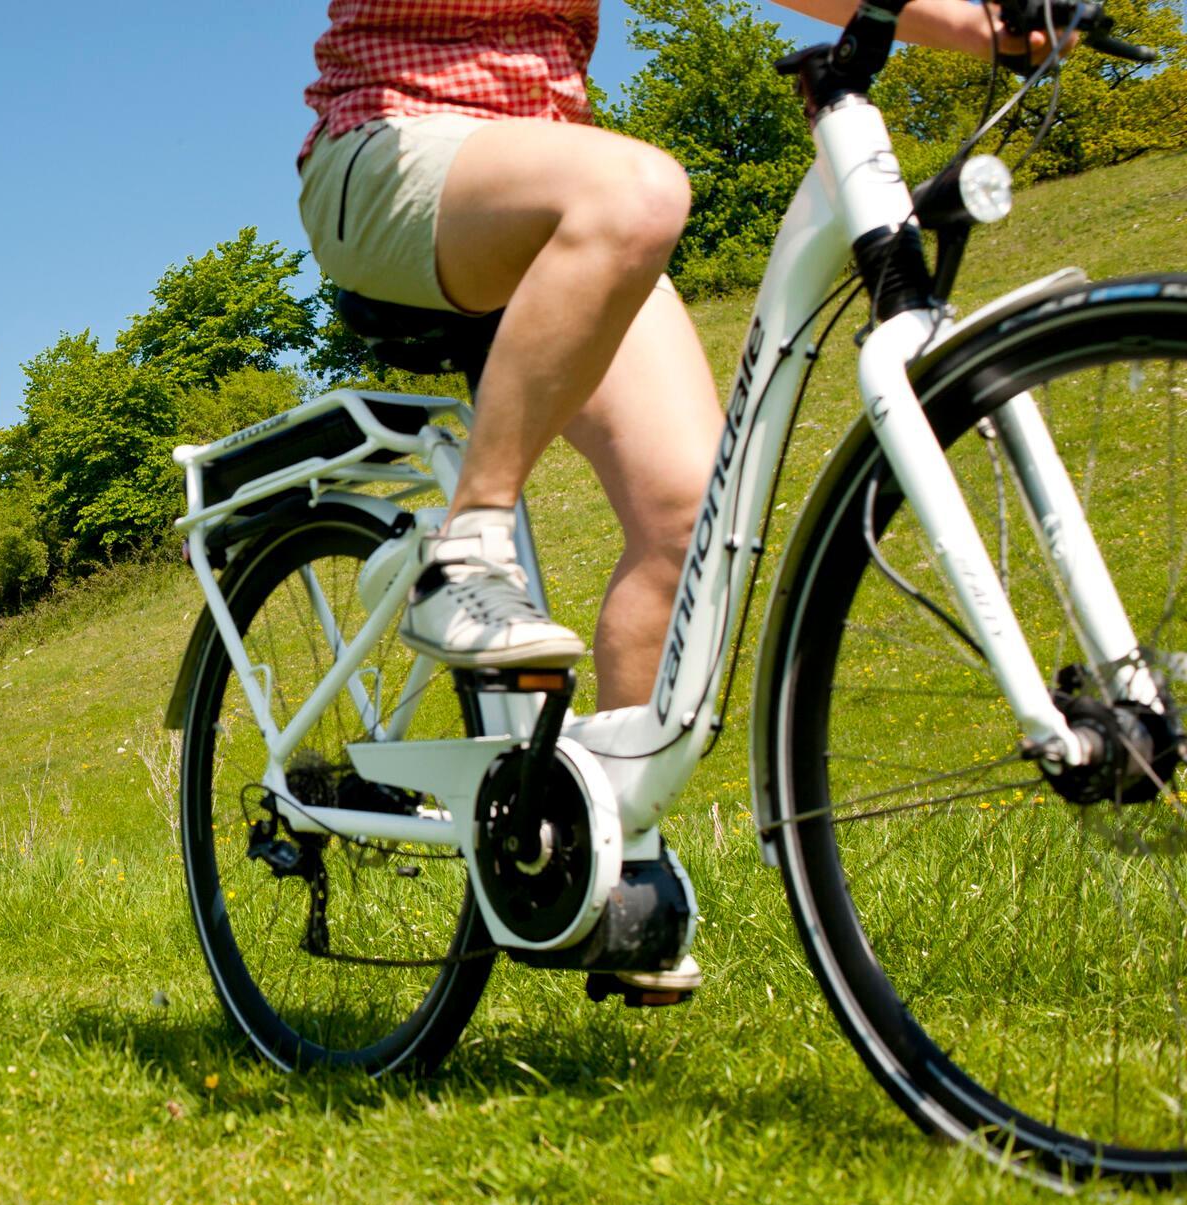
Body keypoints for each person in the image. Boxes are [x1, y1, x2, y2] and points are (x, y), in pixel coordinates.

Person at [296, 0, 1068, 994]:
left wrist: (983, 20)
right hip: (386, 155)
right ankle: (464, 544)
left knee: (687, 521)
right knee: (640, 191)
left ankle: (605, 853)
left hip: (556, 185)